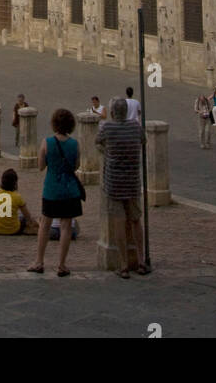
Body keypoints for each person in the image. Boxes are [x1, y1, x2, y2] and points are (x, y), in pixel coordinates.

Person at [96, 97, 149, 278]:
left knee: (119, 222)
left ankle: (124, 264)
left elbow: (98, 142)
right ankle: (141, 261)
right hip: (133, 181)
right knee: (135, 220)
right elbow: (143, 141)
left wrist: (108, 151)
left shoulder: (108, 128)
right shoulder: (135, 127)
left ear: (112, 113)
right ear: (126, 111)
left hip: (114, 183)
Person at [27, 108, 83, 276]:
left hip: (51, 188)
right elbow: (76, 166)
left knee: (45, 225)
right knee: (66, 227)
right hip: (69, 190)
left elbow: (40, 166)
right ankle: (62, 265)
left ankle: (39, 261)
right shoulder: (74, 144)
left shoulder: (47, 142)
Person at [0, 168, 35, 235]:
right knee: (22, 218)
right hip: (14, 230)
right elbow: (27, 216)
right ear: (15, 182)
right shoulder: (17, 196)